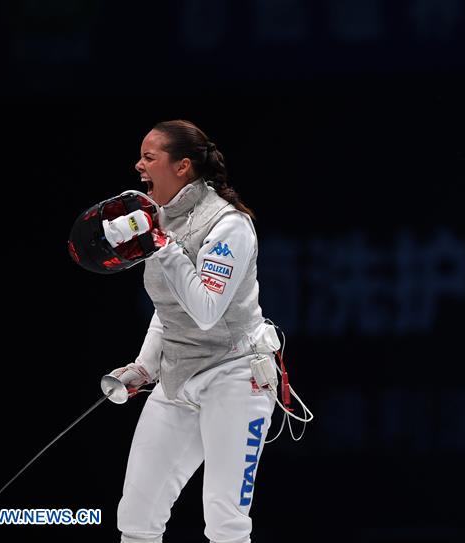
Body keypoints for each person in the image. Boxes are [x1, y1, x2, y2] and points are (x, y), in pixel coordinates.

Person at [106, 119, 279, 543]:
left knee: (225, 521)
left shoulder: (228, 225)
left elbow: (204, 309)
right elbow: (170, 310)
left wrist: (164, 246)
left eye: (149, 158)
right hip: (178, 377)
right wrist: (145, 367)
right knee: (136, 515)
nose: (138, 166)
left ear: (182, 167)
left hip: (236, 377)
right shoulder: (160, 219)